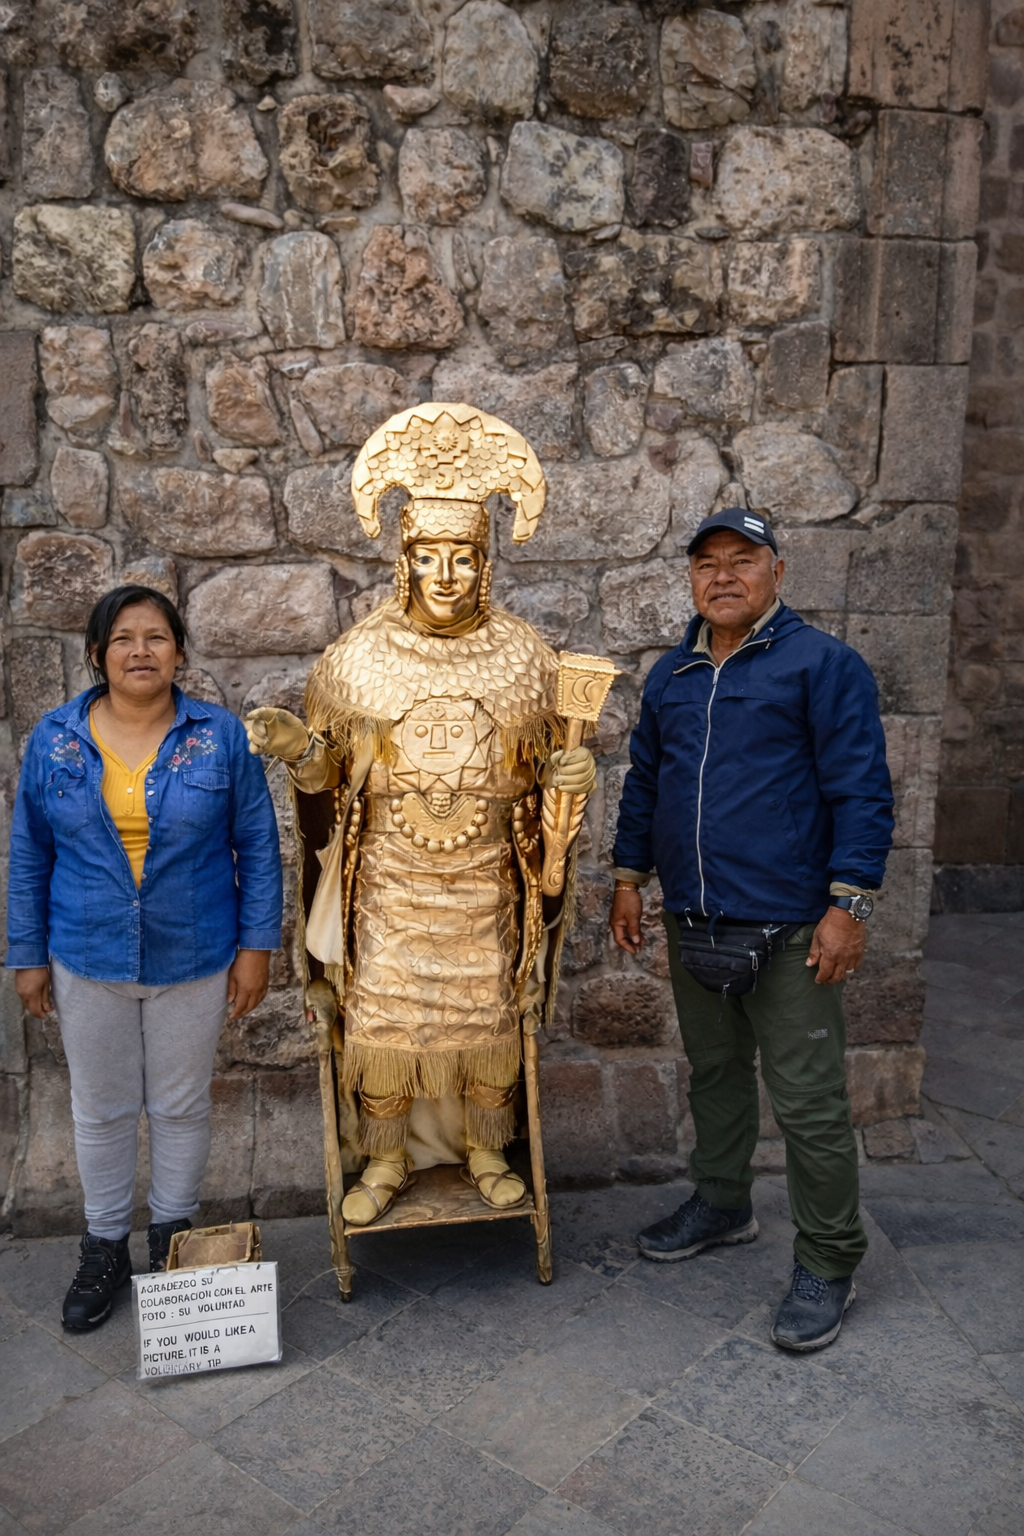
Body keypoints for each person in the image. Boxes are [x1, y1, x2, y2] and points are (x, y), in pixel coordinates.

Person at [245, 403, 598, 1238]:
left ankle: (484, 1151)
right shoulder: (357, 660)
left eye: (464, 559)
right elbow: (330, 789)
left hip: (483, 883)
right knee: (385, 1018)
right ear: (403, 561)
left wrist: (569, 781)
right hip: (393, 886)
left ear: (486, 564)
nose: (446, 576)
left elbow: (550, 773)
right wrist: (303, 753)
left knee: (486, 1016)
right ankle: (386, 1158)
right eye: (428, 557)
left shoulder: (526, 658)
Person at [610, 508, 894, 1351]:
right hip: (694, 916)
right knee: (716, 1073)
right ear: (691, 578)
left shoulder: (823, 665)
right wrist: (629, 879)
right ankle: (724, 1202)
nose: (722, 576)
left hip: (792, 928)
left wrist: (851, 907)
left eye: (743, 560)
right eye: (707, 563)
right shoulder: (672, 675)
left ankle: (830, 1258)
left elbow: (862, 791)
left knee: (808, 1101)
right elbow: (645, 783)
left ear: (778, 572)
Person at [6, 585, 282, 1330]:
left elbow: (258, 847)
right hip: (85, 951)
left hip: (193, 953)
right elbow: (30, 853)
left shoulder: (219, 737)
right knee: (100, 1109)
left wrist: (256, 950)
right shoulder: (55, 739)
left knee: (182, 1104)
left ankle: (173, 1242)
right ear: (97, 654)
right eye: (123, 638)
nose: (139, 651)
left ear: (180, 653)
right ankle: (102, 1248)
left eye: (155, 637)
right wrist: (25, 955)